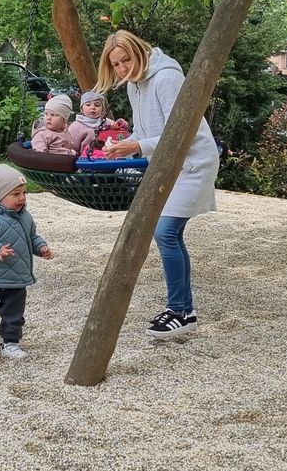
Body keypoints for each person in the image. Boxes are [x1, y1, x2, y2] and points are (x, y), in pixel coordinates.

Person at [95, 29, 219, 339]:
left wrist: (136, 147)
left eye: (126, 60)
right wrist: (121, 144)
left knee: (166, 232)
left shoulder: (166, 79)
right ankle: (184, 310)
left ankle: (180, 309)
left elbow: (180, 132)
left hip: (192, 162)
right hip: (165, 165)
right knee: (168, 234)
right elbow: (143, 130)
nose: (123, 69)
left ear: (139, 51)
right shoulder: (134, 85)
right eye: (116, 65)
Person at [0, 163, 53, 360]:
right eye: (15, 194)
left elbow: (31, 236)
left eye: (24, 193)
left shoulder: (25, 217)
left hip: (17, 277)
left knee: (14, 315)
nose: (22, 198)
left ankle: (11, 342)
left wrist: (40, 247)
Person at [68, 90, 130, 157]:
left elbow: (120, 136)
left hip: (109, 159)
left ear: (102, 109)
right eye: (88, 105)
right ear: (81, 109)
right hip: (86, 161)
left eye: (97, 105)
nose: (92, 107)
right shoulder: (75, 126)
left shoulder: (108, 122)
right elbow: (72, 148)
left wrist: (122, 125)